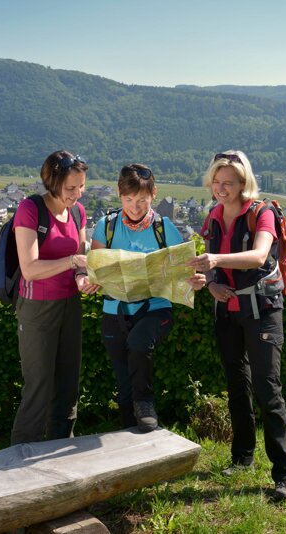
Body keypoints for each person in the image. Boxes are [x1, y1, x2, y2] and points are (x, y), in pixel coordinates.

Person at [186, 150, 286, 502]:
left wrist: (215, 259)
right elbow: (211, 268)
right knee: (237, 385)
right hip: (228, 310)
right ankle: (243, 458)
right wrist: (210, 281)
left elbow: (260, 256)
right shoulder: (214, 216)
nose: (221, 189)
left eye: (228, 183)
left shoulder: (261, 213)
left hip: (262, 308)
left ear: (243, 182)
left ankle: (284, 475)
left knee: (268, 389)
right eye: (216, 182)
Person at [90, 163, 205, 432]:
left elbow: (188, 269)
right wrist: (87, 280)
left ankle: (146, 403)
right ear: (119, 196)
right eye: (128, 200)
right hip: (115, 309)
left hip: (155, 307)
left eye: (142, 200)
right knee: (123, 381)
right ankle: (132, 437)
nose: (135, 207)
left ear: (154, 194)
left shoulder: (164, 229)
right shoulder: (105, 226)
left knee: (140, 343)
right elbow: (93, 268)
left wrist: (198, 280)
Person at [10, 150, 98, 445]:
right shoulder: (31, 209)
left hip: (69, 303)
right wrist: (74, 262)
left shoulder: (78, 212)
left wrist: (82, 277)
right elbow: (30, 269)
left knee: (68, 384)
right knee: (39, 387)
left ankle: (59, 449)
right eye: (70, 188)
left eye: (82, 186)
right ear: (52, 182)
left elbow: (81, 260)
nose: (78, 194)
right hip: (37, 306)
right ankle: (21, 456)